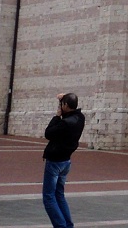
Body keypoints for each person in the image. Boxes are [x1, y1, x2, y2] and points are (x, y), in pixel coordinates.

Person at [42, 92, 86, 228]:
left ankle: (61, 226)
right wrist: (62, 99)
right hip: (66, 162)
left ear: (66, 105)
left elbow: (48, 133)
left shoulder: (65, 123)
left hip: (55, 161)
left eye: (62, 104)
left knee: (49, 197)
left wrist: (56, 116)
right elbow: (69, 111)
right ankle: (68, 225)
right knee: (59, 195)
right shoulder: (80, 118)